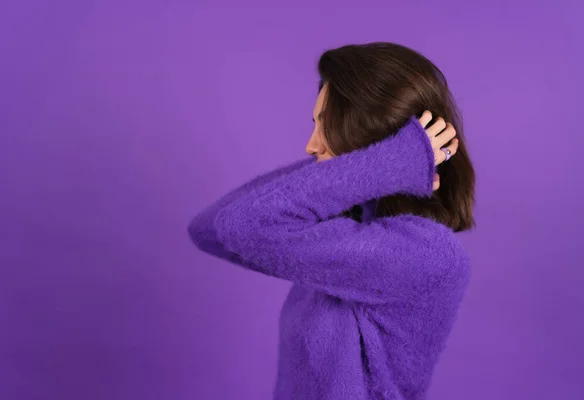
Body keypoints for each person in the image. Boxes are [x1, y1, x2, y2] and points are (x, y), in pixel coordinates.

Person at [188, 42, 475, 400]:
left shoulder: (426, 254)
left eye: (326, 126)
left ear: (368, 134)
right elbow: (210, 229)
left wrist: (381, 161)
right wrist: (380, 165)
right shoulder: (339, 230)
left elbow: (242, 225)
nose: (311, 145)